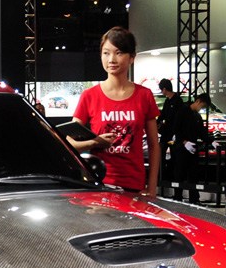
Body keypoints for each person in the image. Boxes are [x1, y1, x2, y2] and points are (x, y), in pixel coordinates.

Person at [67, 26, 161, 195]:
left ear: (132, 57)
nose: (111, 59)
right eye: (106, 53)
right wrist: (95, 143)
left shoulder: (144, 95)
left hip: (134, 185)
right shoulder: (90, 95)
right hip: (99, 184)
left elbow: (154, 145)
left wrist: (152, 187)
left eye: (119, 53)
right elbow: (69, 144)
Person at [172, 93, 213, 203]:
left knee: (193, 175)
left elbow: (202, 132)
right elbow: (176, 129)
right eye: (202, 106)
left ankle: (194, 199)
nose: (202, 109)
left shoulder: (197, 116)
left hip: (193, 149)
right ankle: (177, 197)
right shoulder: (182, 111)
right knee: (179, 174)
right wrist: (184, 142)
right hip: (181, 148)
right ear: (198, 101)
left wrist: (212, 141)